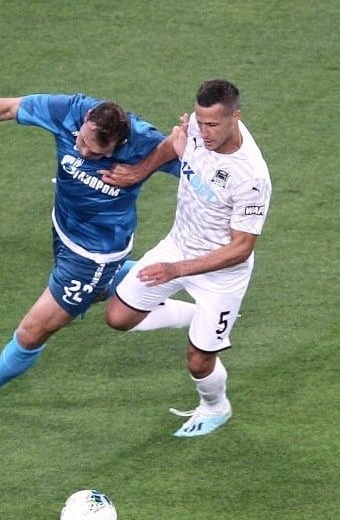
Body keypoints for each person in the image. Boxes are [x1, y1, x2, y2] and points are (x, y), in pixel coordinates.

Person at [0, 94, 178, 422]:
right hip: (64, 232)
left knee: (33, 330)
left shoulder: (143, 141)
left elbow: (193, 163)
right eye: (83, 142)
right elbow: (7, 107)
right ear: (85, 121)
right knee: (99, 289)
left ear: (119, 142)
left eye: (96, 152)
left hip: (94, 255)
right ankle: (177, 274)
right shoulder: (70, 111)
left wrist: (141, 170)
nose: (84, 153)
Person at [101, 79, 272, 438]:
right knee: (118, 317)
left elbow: (241, 248)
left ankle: (215, 407)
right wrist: (138, 172)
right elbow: (174, 144)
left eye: (213, 125)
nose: (204, 131)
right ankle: (200, 320)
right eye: (200, 121)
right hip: (177, 246)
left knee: (198, 361)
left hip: (220, 274)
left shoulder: (252, 177)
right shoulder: (198, 125)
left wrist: (175, 270)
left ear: (236, 117)